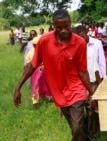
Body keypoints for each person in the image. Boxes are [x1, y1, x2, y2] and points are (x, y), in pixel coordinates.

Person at [13, 9, 94, 141]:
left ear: (71, 24)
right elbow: (32, 65)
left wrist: (92, 93)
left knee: (77, 127)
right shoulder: (44, 41)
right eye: (59, 27)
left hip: (76, 89)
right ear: (53, 26)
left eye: (66, 27)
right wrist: (18, 87)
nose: (63, 30)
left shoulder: (79, 43)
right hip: (58, 92)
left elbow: (83, 71)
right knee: (75, 129)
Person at [25, 37, 52, 109]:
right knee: (36, 86)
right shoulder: (31, 52)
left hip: (44, 72)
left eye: (38, 45)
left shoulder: (45, 51)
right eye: (34, 45)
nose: (36, 46)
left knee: (45, 86)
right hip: (34, 73)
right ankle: (35, 102)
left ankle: (46, 98)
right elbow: (28, 63)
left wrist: (44, 66)